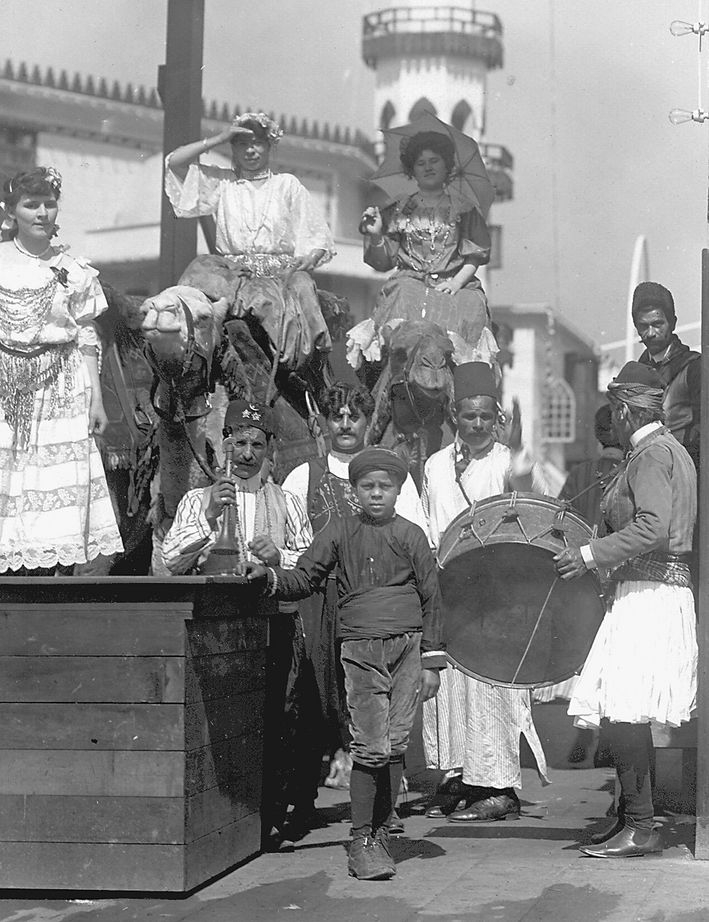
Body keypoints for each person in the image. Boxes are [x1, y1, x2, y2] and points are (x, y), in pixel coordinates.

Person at [242, 447, 445, 881]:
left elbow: (432, 597)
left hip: (407, 648)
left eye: (384, 487)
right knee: (370, 744)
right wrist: (270, 578)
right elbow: (304, 578)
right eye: (367, 487)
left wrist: (430, 661)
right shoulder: (338, 532)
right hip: (361, 649)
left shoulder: (411, 536)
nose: (376, 495)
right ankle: (361, 840)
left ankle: (384, 828)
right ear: (353, 491)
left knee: (394, 743)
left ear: (397, 491)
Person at [160, 398, 319, 851]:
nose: (247, 453)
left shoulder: (288, 502)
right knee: (222, 726)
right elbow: (171, 561)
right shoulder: (199, 498)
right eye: (239, 442)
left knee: (275, 725)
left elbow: (309, 568)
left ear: (269, 449)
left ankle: (267, 822)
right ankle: (223, 824)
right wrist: (209, 517)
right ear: (224, 443)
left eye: (257, 444)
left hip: (275, 628)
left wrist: (279, 557)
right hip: (218, 631)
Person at [555, 362, 697, 859]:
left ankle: (640, 825)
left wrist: (589, 554)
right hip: (647, 592)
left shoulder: (651, 456)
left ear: (621, 410)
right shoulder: (663, 450)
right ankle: (631, 819)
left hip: (649, 595)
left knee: (623, 712)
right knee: (625, 713)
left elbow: (654, 527)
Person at [282, 381, 428, 813]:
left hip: (373, 608)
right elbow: (295, 547)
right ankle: (303, 801)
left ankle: (384, 810)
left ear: (368, 423)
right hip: (318, 604)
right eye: (336, 415)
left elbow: (417, 542)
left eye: (354, 416)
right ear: (324, 423)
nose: (345, 424)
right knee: (314, 699)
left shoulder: (390, 475)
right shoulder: (302, 476)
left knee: (377, 706)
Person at [421, 361, 550, 821]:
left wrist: (518, 454)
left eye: (485, 416)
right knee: (452, 687)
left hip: (496, 592)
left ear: (496, 416)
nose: (476, 424)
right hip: (449, 591)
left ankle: (498, 788)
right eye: (468, 415)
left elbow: (527, 496)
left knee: (491, 687)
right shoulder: (435, 465)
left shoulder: (507, 460)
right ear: (455, 414)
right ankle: (459, 778)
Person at [0, 167, 123, 574]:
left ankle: (51, 579)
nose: (41, 213)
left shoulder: (75, 268)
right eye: (30, 205)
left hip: (62, 385)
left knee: (54, 484)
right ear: (11, 210)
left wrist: (97, 400)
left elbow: (86, 336)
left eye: (48, 204)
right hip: (7, 385)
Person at [165, 111, 335, 370]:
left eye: (257, 142)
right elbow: (175, 163)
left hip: (279, 275)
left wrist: (307, 258)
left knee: (302, 290)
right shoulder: (222, 183)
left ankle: (305, 371)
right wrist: (218, 139)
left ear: (269, 146)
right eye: (242, 143)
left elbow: (316, 236)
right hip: (233, 275)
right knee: (200, 269)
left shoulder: (287, 185)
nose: (250, 150)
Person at [347, 130, 498, 368]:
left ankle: (471, 389)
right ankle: (384, 381)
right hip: (411, 282)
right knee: (402, 296)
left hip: (455, 284)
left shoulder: (464, 208)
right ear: (412, 170)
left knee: (471, 305)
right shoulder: (399, 208)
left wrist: (456, 283)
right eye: (420, 163)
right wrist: (376, 234)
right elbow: (383, 262)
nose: (428, 167)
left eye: (434, 161)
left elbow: (475, 255)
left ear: (447, 165)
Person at [632, 281, 701, 469]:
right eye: (643, 326)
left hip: (684, 468)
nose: (651, 333)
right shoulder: (636, 372)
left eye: (657, 324)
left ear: (673, 323)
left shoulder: (694, 367)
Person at [559, 404, 624, 531]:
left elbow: (559, 512)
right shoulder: (633, 470)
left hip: (579, 547)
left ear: (598, 443)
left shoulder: (579, 473)